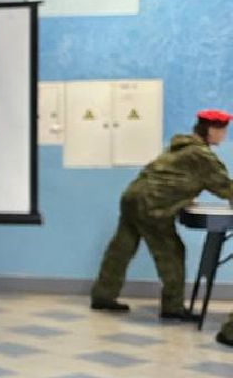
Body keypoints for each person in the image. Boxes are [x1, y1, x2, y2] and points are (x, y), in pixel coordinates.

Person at [92, 109, 233, 319]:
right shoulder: (201, 155)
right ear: (211, 130)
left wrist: (184, 194)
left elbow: (172, 177)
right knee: (172, 252)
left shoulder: (180, 146)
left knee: (122, 248)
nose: (224, 135)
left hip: (133, 196)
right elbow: (224, 186)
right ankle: (172, 307)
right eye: (222, 131)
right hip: (153, 205)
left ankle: (103, 295)